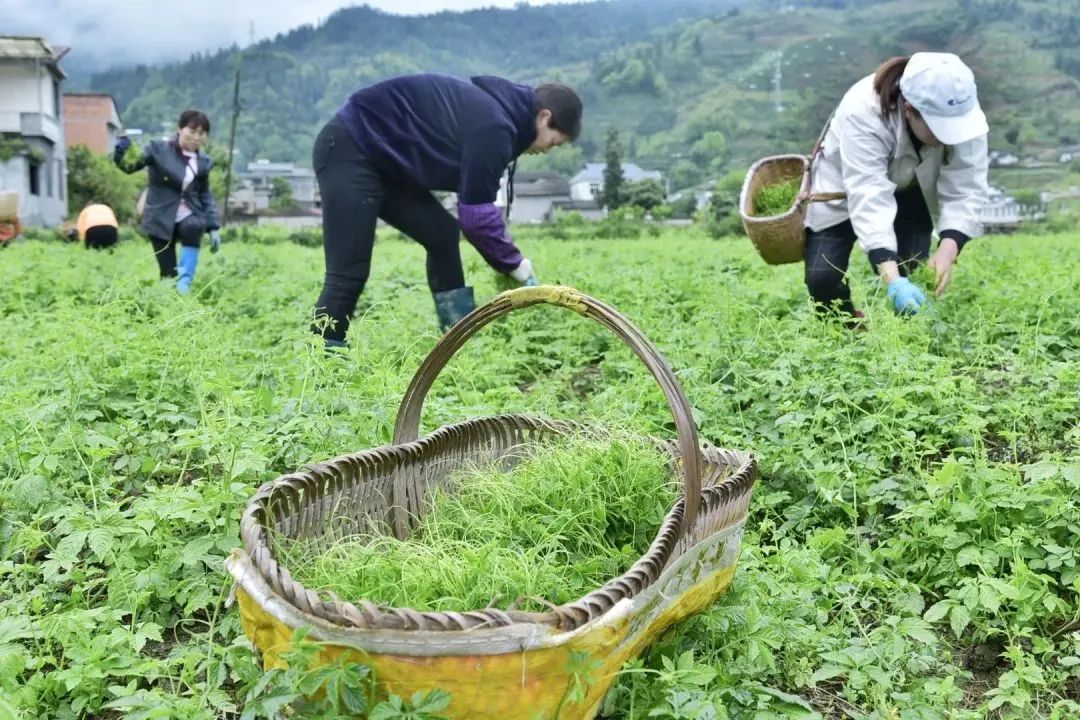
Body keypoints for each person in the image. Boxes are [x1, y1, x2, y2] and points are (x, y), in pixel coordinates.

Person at [312, 73, 582, 345]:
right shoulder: (495, 126)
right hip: (349, 149)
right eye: (554, 141)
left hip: (389, 167)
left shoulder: (502, 121)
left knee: (442, 234)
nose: (548, 150)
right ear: (545, 117)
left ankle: (456, 341)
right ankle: (323, 366)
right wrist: (515, 264)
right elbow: (476, 217)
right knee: (348, 271)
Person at [803, 52, 989, 319]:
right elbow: (868, 192)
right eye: (940, 129)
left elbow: (967, 184)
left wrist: (948, 250)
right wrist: (892, 280)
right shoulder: (862, 111)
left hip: (911, 188)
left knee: (911, 267)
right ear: (909, 109)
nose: (950, 138)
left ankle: (908, 344)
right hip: (843, 188)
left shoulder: (962, 110)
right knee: (822, 277)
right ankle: (843, 334)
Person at [114, 111, 222, 293]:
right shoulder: (158, 150)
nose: (196, 137)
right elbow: (129, 166)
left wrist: (213, 227)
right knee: (167, 273)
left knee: (194, 226)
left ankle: (185, 283)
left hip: (188, 215)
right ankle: (170, 301)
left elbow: (204, 194)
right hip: (159, 217)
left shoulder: (203, 162)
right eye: (192, 131)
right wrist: (121, 150)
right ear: (180, 129)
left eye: (202, 133)